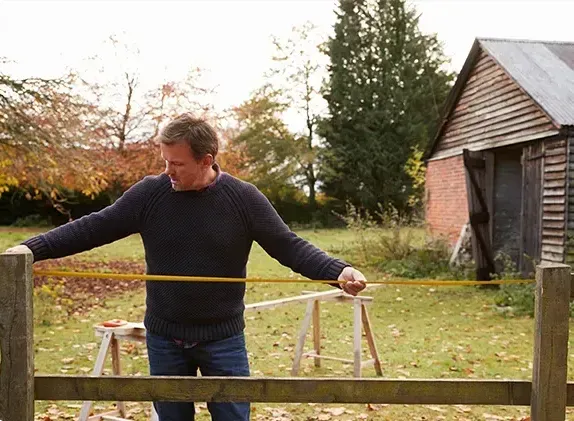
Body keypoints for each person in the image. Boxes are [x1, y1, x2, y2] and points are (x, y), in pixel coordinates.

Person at [5, 113, 367, 421]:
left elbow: (289, 246)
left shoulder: (243, 199)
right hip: (165, 339)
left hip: (223, 340)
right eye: (165, 162)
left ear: (206, 160)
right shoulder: (150, 194)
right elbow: (93, 226)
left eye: (177, 164)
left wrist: (338, 271)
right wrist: (30, 249)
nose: (168, 172)